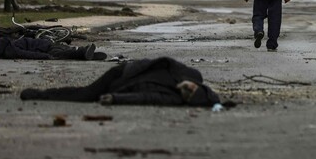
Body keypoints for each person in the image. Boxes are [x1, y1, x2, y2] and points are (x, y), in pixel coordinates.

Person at [19, 57, 220, 107]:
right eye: (191, 89)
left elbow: (145, 98)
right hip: (123, 72)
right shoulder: (191, 73)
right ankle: (39, 94)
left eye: (187, 95)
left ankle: (40, 94)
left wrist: (116, 98)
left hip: (121, 85)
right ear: (196, 85)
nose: (185, 90)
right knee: (86, 94)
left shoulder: (175, 99)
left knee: (86, 95)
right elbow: (164, 60)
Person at [0, 30, 105, 61]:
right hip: (46, 46)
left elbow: (25, 53)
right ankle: (85, 53)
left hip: (45, 48)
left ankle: (83, 53)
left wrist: (44, 56)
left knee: (63, 53)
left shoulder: (5, 48)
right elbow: (26, 52)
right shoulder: (7, 45)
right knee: (65, 52)